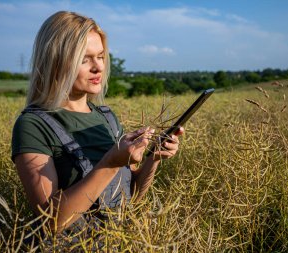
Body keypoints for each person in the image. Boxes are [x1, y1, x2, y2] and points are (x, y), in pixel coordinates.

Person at [11, 11, 184, 236]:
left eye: (101, 56)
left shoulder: (107, 118)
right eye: (85, 59)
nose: (98, 67)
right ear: (55, 62)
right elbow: (51, 222)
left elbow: (131, 198)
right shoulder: (32, 126)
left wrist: (154, 159)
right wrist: (111, 162)